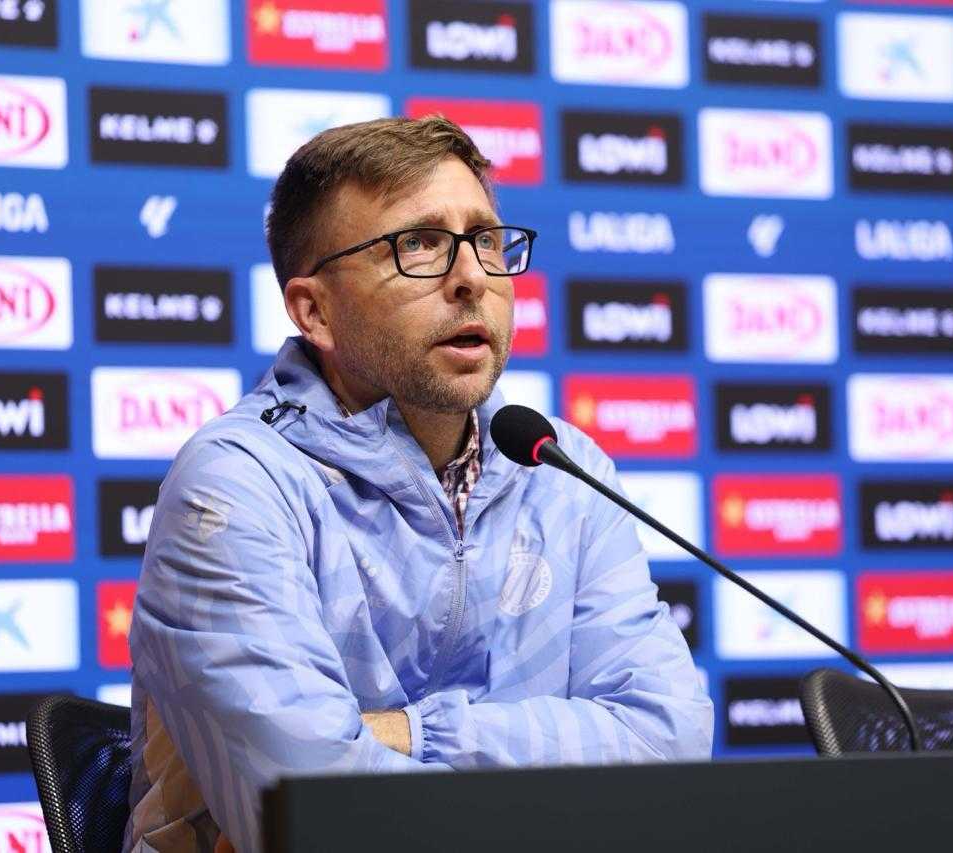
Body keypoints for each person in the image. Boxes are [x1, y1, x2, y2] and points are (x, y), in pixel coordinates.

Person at [123, 116, 713, 853]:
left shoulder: (565, 472)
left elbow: (666, 740)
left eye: (486, 240)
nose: (473, 279)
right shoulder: (235, 486)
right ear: (315, 311)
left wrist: (411, 734)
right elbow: (320, 815)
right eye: (419, 245)